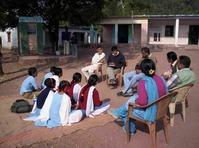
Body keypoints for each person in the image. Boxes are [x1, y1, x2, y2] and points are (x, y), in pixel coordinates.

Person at [108, 59, 167, 135]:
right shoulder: (160, 79)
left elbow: (143, 102)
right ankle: (119, 112)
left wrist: (134, 102)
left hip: (151, 113)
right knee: (133, 99)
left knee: (130, 106)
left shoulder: (144, 82)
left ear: (142, 71)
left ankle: (129, 128)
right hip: (161, 109)